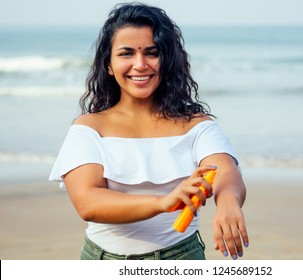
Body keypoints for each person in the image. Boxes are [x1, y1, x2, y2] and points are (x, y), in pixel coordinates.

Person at [49, 2, 248, 260]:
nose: (140, 64)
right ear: (108, 65)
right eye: (126, 54)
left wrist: (229, 203)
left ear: (166, 60)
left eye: (152, 53)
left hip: (182, 257)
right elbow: (88, 202)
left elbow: (224, 170)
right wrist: (163, 201)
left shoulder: (196, 125)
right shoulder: (88, 128)